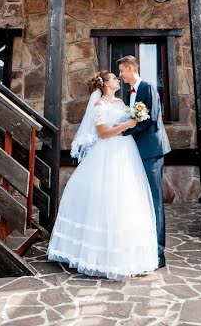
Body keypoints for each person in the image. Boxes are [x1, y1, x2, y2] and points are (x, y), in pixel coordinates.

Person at [46, 70, 159, 279]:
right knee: (107, 200)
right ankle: (98, 255)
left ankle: (127, 255)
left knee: (127, 199)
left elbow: (124, 122)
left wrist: (135, 116)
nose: (118, 80)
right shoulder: (99, 106)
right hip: (108, 154)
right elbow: (103, 133)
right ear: (105, 84)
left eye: (117, 77)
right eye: (114, 78)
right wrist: (128, 124)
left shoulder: (119, 103)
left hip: (126, 153)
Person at [117, 55, 171, 268]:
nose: (120, 75)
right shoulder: (131, 93)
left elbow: (148, 121)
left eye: (122, 70)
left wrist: (122, 134)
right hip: (139, 151)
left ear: (130, 68)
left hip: (151, 151)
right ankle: (146, 247)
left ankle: (159, 254)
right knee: (143, 199)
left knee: (155, 200)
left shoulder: (146, 87)